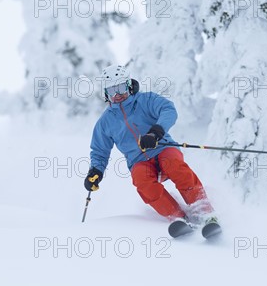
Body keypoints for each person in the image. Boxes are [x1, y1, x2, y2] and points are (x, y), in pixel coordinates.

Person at [84, 64, 219, 236]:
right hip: (138, 161)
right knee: (142, 181)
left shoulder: (146, 100)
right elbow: (99, 151)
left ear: (129, 85)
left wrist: (156, 132)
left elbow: (168, 109)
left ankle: (205, 213)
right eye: (112, 91)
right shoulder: (105, 122)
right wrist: (95, 171)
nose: (117, 94)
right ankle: (178, 218)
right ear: (105, 94)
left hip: (162, 148)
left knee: (174, 166)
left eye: (120, 87)